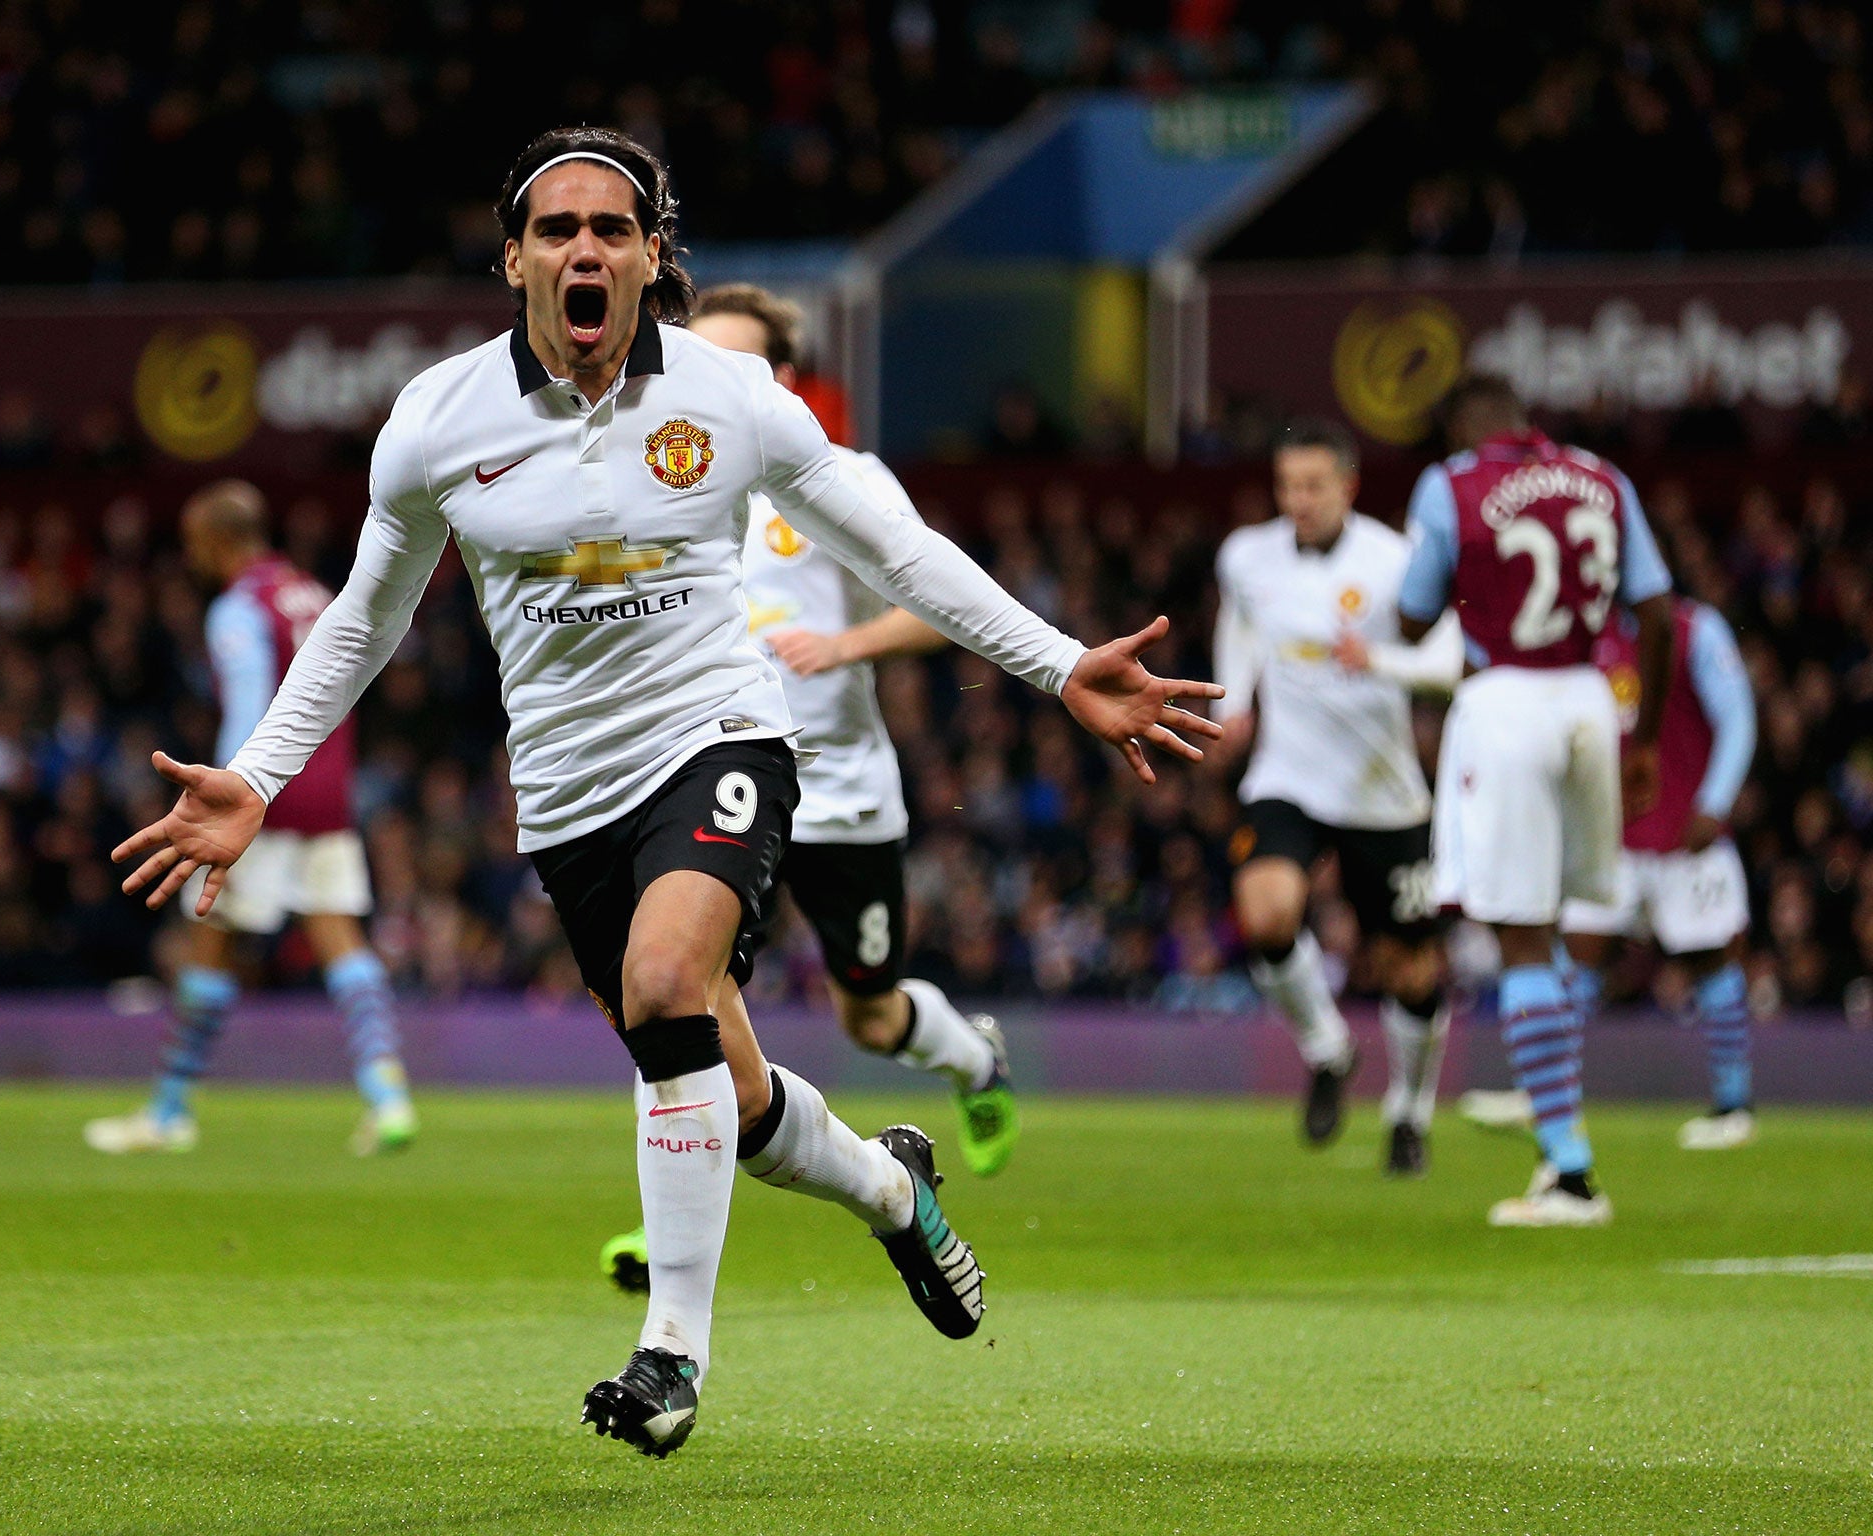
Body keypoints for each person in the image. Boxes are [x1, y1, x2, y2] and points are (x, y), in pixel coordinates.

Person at [111, 127, 1220, 1459]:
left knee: (665, 983)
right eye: (560, 228)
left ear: (652, 257)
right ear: (514, 257)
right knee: (724, 1095)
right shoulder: (434, 422)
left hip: (723, 741)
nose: (587, 248)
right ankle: (889, 1187)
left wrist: (1059, 669)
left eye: (614, 227)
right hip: (570, 798)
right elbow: (362, 619)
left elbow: (904, 553)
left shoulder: (733, 397)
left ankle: (669, 1358)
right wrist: (255, 776)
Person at [597, 283, 1018, 1295]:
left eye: (742, 362)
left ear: (779, 380)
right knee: (685, 991)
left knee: (866, 1017)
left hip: (838, 788)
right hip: (715, 777)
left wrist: (845, 643)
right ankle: (676, 1236)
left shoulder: (837, 477)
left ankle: (973, 1062)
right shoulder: (660, 483)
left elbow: (935, 608)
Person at [1400, 375, 1673, 1227]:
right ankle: (1555, 1112)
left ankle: (1570, 1168)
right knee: (1555, 921)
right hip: (1591, 699)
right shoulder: (1604, 477)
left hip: (1507, 701)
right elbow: (1658, 611)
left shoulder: (1450, 483)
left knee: (1518, 932)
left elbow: (1412, 617)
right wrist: (1650, 738)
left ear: (1461, 427)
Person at [86, 481, 416, 1158]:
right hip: (328, 790)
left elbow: (248, 703)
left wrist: (227, 793)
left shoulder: (239, 609)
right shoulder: (316, 594)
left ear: (213, 541)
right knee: (338, 936)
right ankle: (388, 1096)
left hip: (262, 795)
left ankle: (170, 1109)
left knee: (210, 938)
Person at [1212, 420, 1463, 1174]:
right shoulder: (1246, 555)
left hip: (1382, 793)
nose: (1300, 500)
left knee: (1412, 972)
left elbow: (1450, 661)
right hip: (1288, 776)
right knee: (1265, 911)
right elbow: (1241, 617)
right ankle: (1328, 1050)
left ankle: (1410, 1112)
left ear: (1348, 487)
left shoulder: (1395, 562)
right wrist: (1237, 702)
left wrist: (1379, 659)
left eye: (1315, 485)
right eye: (1288, 485)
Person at [1560, 596, 1759, 1147]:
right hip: (1610, 837)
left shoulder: (1697, 630)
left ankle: (1733, 1107)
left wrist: (1714, 804)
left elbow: (1738, 717)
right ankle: (1551, 1096)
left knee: (1712, 957)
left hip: (1684, 835)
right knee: (1577, 955)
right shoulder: (1584, 631)